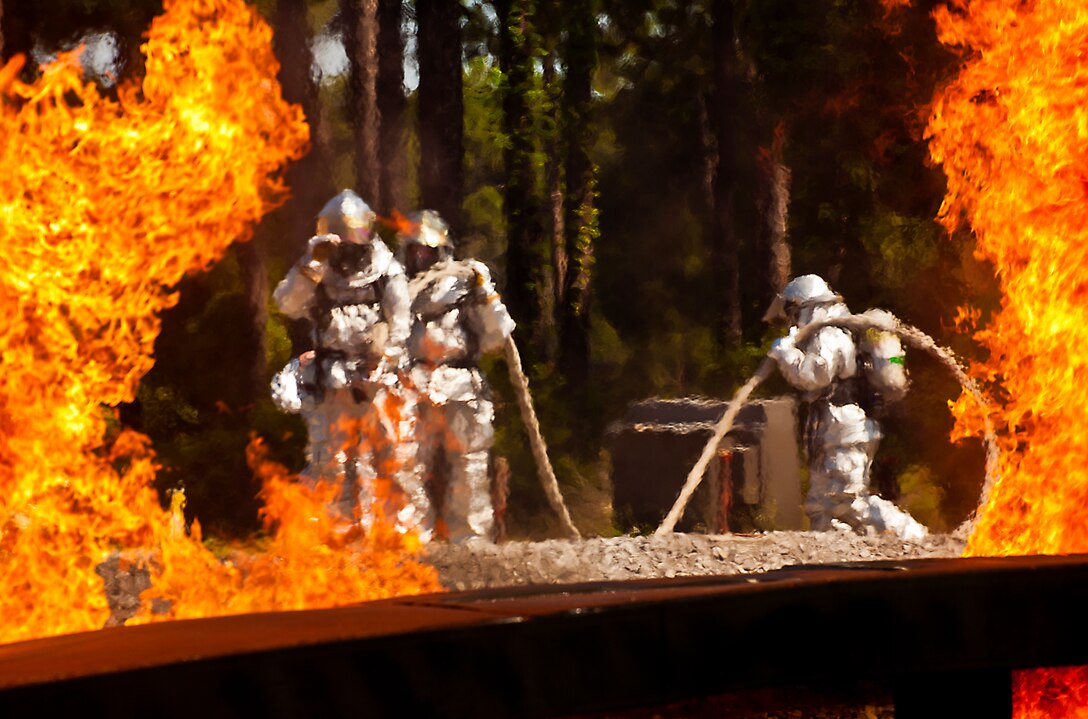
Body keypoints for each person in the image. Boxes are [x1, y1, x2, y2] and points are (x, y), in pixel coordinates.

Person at [270, 189, 419, 529]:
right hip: (331, 377)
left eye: (358, 234)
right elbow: (288, 304)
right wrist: (312, 265)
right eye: (345, 236)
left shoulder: (386, 270)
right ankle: (332, 532)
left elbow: (400, 325)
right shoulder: (316, 268)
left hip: (377, 378)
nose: (352, 243)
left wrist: (382, 359)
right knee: (330, 460)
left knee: (387, 456)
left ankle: (392, 534)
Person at [766, 274, 928, 541]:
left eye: (794, 314)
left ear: (805, 307)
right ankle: (827, 554)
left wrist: (786, 353)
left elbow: (814, 374)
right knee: (821, 505)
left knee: (847, 501)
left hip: (843, 429)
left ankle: (914, 536)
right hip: (834, 429)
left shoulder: (829, 334)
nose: (793, 323)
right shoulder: (833, 331)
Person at [394, 210, 515, 543]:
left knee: (469, 465)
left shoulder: (466, 278)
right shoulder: (396, 288)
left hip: (462, 385)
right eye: (414, 249)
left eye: (426, 249)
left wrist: (485, 293)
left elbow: (497, 335)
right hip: (412, 387)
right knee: (407, 466)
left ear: (440, 249)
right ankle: (413, 537)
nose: (420, 255)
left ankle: (470, 538)